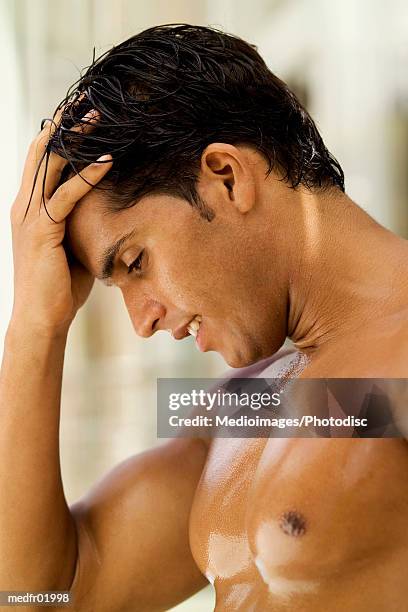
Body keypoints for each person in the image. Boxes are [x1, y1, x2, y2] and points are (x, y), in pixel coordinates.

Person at [1, 23, 408, 611]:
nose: (141, 322)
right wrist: (35, 329)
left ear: (226, 176)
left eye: (135, 262)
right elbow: (43, 598)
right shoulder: (252, 404)